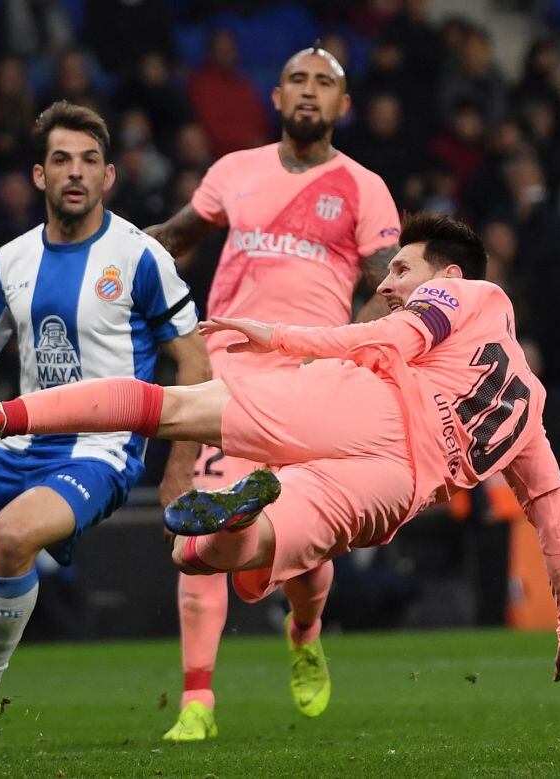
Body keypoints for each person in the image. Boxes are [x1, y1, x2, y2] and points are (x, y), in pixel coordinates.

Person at [0, 212, 560, 703]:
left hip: (358, 400)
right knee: (207, 550)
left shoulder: (469, 294)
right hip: (393, 482)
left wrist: (276, 335)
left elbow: (390, 342)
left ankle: (2, 416)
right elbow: (553, 516)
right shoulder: (531, 411)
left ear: (447, 274)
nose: (387, 282)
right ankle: (265, 554)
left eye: (401, 269)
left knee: (167, 413)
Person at [0, 101, 209, 758]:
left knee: (13, 535)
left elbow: (194, 361)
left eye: (88, 161)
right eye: (61, 160)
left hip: (103, 449)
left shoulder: (139, 257)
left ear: (109, 176)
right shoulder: (10, 262)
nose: (75, 173)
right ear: (38, 174)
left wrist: (179, 465)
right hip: (21, 441)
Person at [144, 46, 401, 739]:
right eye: (297, 80)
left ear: (344, 106)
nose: (309, 91)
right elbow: (175, 239)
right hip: (223, 371)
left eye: (325, 83)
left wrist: (342, 355)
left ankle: (306, 628)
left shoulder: (364, 186)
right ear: (277, 96)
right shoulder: (235, 171)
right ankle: (198, 701)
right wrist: (113, 255)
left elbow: (390, 290)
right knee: (200, 527)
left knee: (302, 550)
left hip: (308, 380)